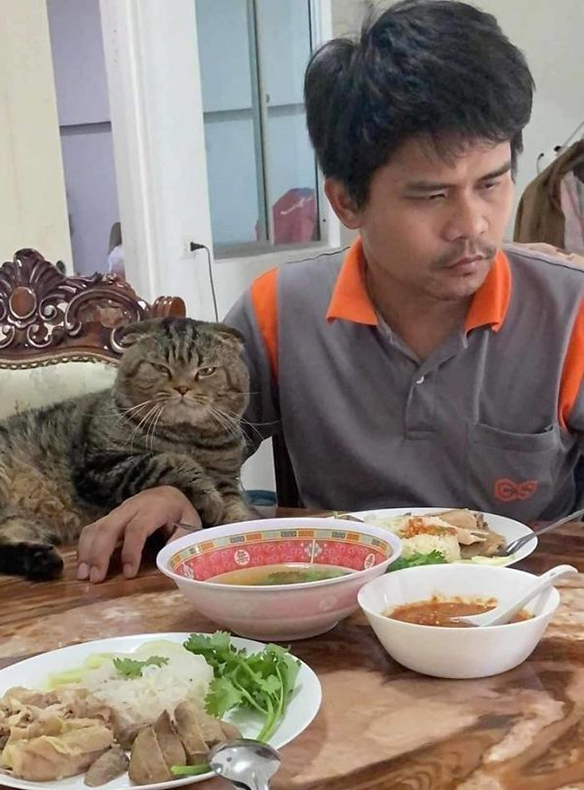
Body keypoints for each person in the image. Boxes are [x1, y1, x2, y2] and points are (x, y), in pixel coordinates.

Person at [77, 0, 584, 584]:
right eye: (430, 195)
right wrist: (168, 491)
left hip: (525, 622)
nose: (472, 224)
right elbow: (191, 455)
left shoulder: (568, 314)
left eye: (491, 183)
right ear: (346, 201)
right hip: (331, 626)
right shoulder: (277, 312)